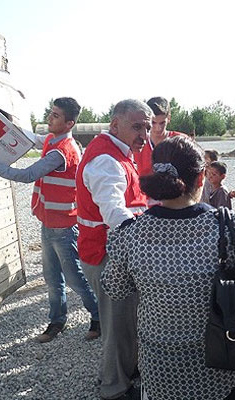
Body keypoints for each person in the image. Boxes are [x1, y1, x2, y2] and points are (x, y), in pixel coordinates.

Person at [101, 135, 235, 400]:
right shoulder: (229, 226)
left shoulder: (130, 234)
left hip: (161, 370)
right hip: (226, 361)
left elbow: (114, 289)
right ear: (201, 179)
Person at [0, 97, 100, 343]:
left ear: (69, 123)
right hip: (49, 223)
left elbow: (27, 175)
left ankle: (99, 318)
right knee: (52, 278)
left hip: (64, 226)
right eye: (51, 112)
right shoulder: (51, 139)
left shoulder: (63, 151)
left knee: (74, 278)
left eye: (56, 116)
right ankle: (57, 321)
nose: (50, 117)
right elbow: (28, 135)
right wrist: (5, 119)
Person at [75, 99, 151, 400]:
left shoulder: (117, 153)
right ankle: (114, 388)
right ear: (115, 124)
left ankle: (126, 372)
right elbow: (115, 213)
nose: (143, 133)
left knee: (126, 320)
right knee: (118, 326)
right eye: (137, 126)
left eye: (146, 127)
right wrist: (146, 244)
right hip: (106, 257)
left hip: (110, 254)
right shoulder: (107, 160)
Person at [133, 96, 185, 176]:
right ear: (147, 119)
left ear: (169, 118)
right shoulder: (137, 144)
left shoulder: (182, 141)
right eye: (153, 123)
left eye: (162, 123)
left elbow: (199, 174)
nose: (158, 128)